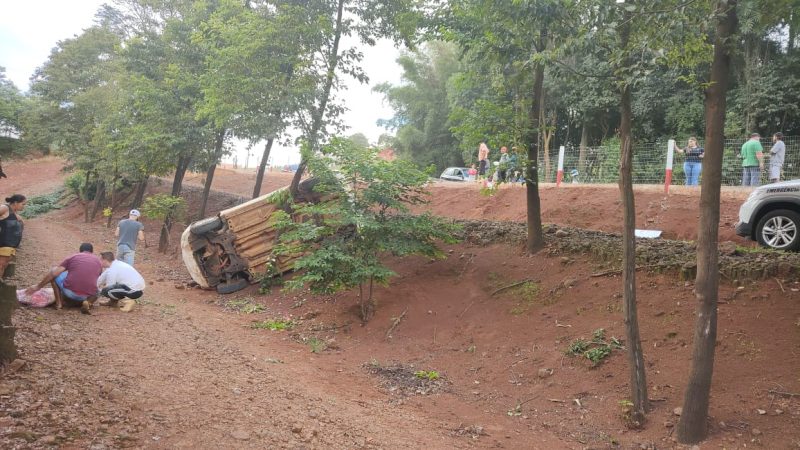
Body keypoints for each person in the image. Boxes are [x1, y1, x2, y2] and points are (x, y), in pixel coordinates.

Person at [26, 243, 102, 314]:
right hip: (88, 295)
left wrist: (38, 286)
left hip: (70, 293)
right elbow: (97, 276)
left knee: (54, 271)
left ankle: (59, 304)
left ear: (80, 251)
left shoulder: (73, 257)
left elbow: (54, 274)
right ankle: (88, 302)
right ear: (92, 252)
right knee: (97, 290)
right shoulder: (98, 261)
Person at [0, 194, 26, 279]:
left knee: (3, 265)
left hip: (12, 245)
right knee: (1, 265)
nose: (24, 206)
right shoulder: (5, 208)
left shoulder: (15, 213)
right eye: (23, 204)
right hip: (4, 243)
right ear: (15, 202)